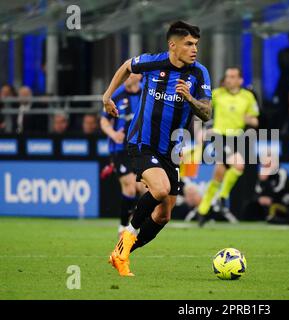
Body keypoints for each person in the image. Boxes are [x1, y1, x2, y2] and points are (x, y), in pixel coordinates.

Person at [103, 21, 212, 276]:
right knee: (160, 190)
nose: (194, 49)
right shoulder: (154, 62)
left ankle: (122, 253)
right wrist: (107, 96)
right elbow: (127, 67)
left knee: (163, 215)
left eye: (196, 44)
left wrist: (189, 98)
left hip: (172, 150)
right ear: (173, 45)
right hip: (142, 142)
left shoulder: (199, 74)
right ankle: (126, 239)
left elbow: (206, 113)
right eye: (188, 44)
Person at [196, 66, 259, 227]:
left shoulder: (248, 97)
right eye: (227, 76)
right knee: (238, 165)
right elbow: (203, 111)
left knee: (219, 174)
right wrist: (203, 130)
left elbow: (255, 120)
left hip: (237, 137)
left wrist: (248, 119)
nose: (229, 79)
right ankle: (223, 197)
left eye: (232, 76)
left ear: (240, 80)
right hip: (219, 136)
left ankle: (203, 210)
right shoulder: (217, 94)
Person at [100, 73, 145, 237]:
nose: (127, 77)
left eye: (131, 74)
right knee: (130, 186)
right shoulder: (117, 94)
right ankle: (122, 227)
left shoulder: (147, 92)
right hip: (120, 149)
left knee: (144, 188)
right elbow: (104, 121)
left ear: (140, 76)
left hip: (141, 148)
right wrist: (113, 134)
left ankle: (135, 222)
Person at [242, 154, 289, 223]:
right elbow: (257, 192)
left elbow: (279, 191)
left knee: (275, 208)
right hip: (267, 202)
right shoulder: (264, 174)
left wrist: (271, 199)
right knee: (250, 206)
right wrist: (262, 182)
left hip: (281, 201)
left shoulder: (282, 173)